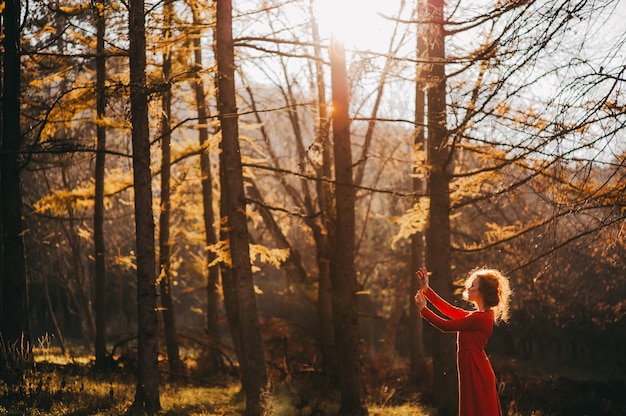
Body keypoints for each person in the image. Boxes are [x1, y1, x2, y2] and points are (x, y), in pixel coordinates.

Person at [413, 266, 511, 416]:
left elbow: (445, 326)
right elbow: (450, 310)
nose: (469, 287)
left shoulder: (480, 318)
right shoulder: (477, 316)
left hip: (476, 370)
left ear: (482, 292)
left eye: (473, 285)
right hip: (472, 368)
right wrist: (426, 290)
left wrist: (424, 310)